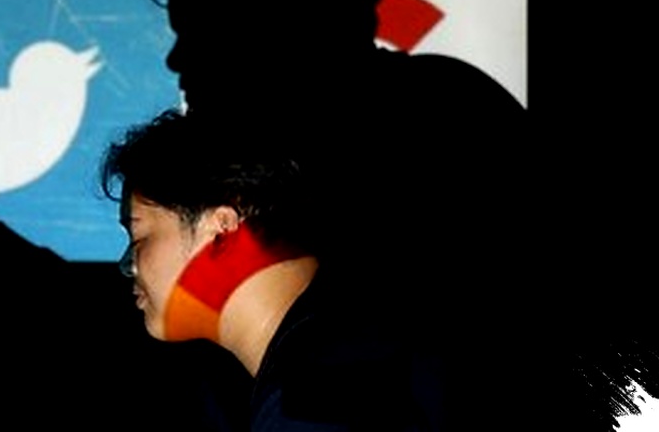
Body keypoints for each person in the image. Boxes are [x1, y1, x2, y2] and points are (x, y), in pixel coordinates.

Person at [0, 0, 527, 428]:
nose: (177, 59)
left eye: (197, 31)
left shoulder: (433, 136)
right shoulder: (400, 131)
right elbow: (140, 342)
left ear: (273, 21)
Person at [104, 109, 446, 431]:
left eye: (139, 237)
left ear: (221, 227)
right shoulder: (360, 344)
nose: (128, 266)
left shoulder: (317, 399)